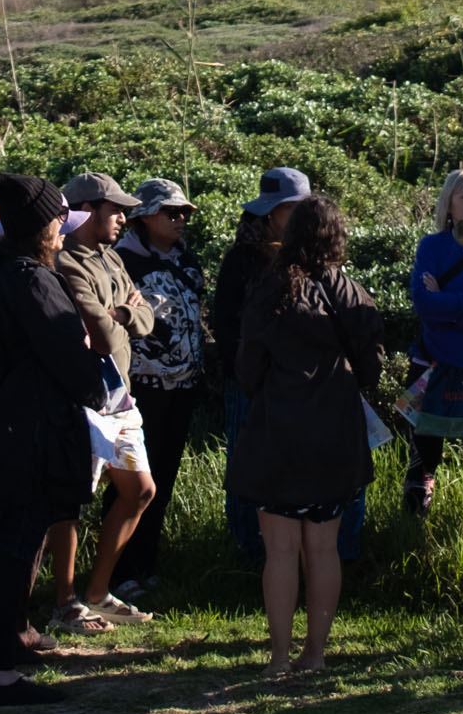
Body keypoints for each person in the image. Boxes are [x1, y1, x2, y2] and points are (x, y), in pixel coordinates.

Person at [0, 169, 109, 709]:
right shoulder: (33, 280)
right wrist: (96, 385)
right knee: (13, 553)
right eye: (59, 220)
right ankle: (3, 676)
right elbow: (70, 359)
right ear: (43, 226)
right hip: (27, 437)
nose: (63, 229)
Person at [231, 194, 383, 680]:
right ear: (337, 236)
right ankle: (315, 654)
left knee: (278, 552)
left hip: (277, 432)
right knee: (324, 549)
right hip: (334, 433)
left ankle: (279, 658)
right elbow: (372, 371)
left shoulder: (268, 290)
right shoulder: (351, 294)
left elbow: (247, 371)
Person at [45, 172, 161, 629]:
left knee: (140, 490)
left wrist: (123, 313)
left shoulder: (111, 258)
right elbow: (100, 333)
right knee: (68, 501)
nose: (123, 217)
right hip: (83, 397)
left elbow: (145, 316)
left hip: (120, 398)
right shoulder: (66, 261)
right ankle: (65, 602)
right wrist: (121, 315)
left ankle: (97, 592)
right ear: (87, 210)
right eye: (115, 209)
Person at [210, 166, 313, 564]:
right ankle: (248, 551)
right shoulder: (242, 260)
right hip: (250, 384)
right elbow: (226, 326)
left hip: (296, 386)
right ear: (270, 213)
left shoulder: (308, 256)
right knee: (246, 465)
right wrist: (248, 374)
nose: (300, 217)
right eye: (292, 208)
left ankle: (292, 557)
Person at [114, 180, 211, 602]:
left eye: (184, 213)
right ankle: (118, 572)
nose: (179, 220)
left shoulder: (186, 260)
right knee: (132, 483)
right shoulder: (122, 262)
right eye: (170, 213)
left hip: (182, 386)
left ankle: (145, 564)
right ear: (144, 217)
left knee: (164, 478)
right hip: (142, 388)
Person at [400, 169, 463, 523]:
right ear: (449, 204)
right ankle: (408, 537)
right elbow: (424, 305)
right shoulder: (432, 246)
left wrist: (450, 302)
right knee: (422, 462)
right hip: (431, 366)